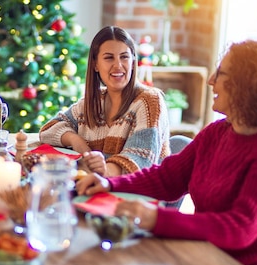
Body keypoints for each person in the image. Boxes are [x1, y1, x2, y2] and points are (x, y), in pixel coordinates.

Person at [76, 40, 257, 265]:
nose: (210, 80)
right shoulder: (218, 132)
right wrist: (110, 184)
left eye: (221, 73)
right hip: (200, 256)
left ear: (248, 85)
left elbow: (240, 229)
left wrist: (155, 218)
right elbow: (168, 179)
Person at [39, 26, 170, 177]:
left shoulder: (149, 101)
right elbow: (48, 130)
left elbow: (140, 159)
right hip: (100, 188)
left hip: (139, 195)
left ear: (133, 61)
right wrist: (75, 139)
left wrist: (105, 170)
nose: (118, 65)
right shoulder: (93, 102)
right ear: (95, 64)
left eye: (124, 57)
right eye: (109, 58)